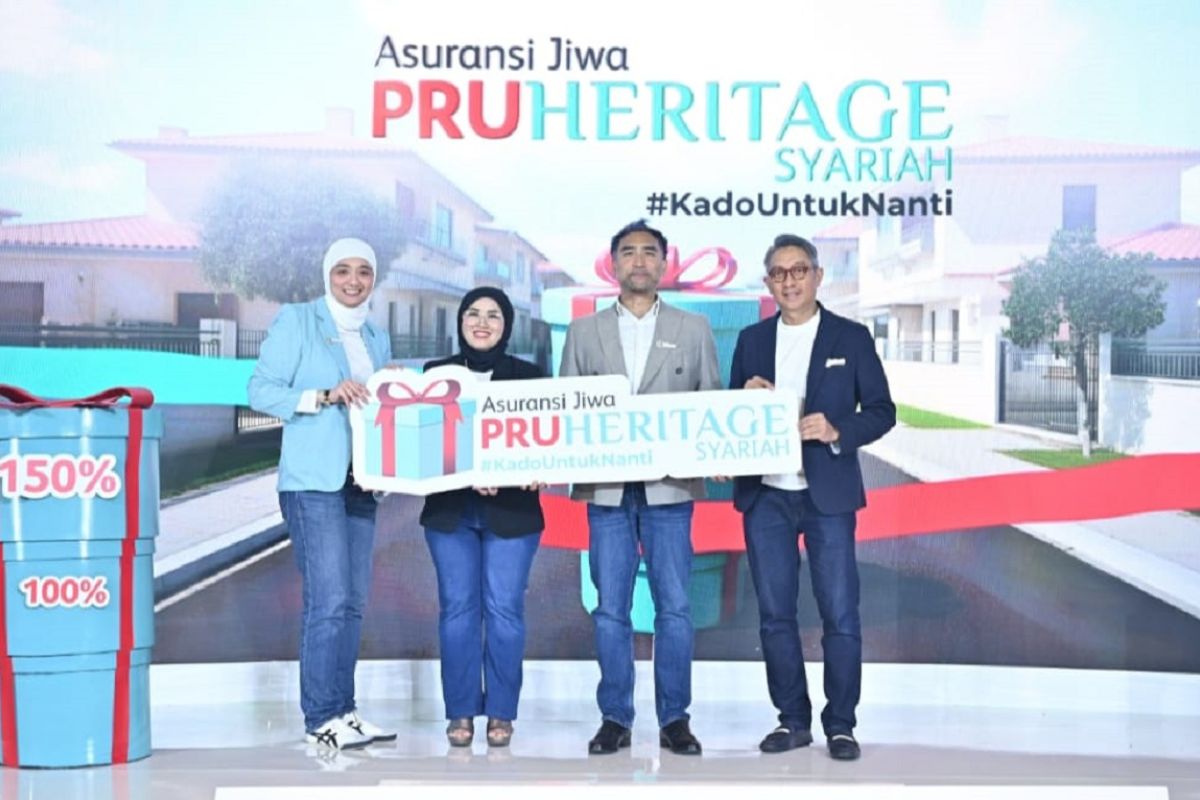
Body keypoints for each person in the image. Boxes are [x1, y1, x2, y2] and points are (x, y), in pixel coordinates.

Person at [729, 234, 895, 761]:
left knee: (840, 613)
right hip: (766, 497)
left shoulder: (851, 337)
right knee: (775, 615)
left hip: (828, 496)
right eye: (779, 273)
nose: (790, 281)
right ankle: (792, 720)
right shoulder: (752, 341)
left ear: (818, 276)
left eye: (799, 270)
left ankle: (841, 725)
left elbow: (883, 411)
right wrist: (741, 400)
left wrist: (836, 429)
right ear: (768, 283)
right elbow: (728, 416)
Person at [559, 220, 721, 756]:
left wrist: (719, 455)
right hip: (606, 490)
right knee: (611, 609)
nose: (639, 261)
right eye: (628, 252)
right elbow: (566, 411)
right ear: (613, 264)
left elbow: (711, 403)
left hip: (669, 489)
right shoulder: (583, 332)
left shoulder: (694, 328)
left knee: (675, 606)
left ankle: (675, 719)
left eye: (649, 252)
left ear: (664, 263)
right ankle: (615, 717)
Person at [248, 237, 395, 751]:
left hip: (362, 483)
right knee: (328, 600)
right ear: (327, 275)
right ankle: (320, 716)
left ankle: (345, 710)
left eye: (363, 272)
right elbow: (260, 390)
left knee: (352, 603)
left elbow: (379, 412)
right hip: (314, 483)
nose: (354, 281)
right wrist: (324, 395)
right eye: (342, 271)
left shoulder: (376, 337)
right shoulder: (298, 320)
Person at [420, 287, 545, 749]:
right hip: (450, 513)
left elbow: (546, 443)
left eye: (494, 315)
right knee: (457, 611)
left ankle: (501, 712)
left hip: (512, 512)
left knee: (505, 610)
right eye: (473, 313)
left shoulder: (530, 378)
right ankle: (460, 710)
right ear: (460, 322)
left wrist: (540, 467)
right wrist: (470, 474)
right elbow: (425, 444)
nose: (482, 322)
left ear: (506, 326)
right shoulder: (434, 376)